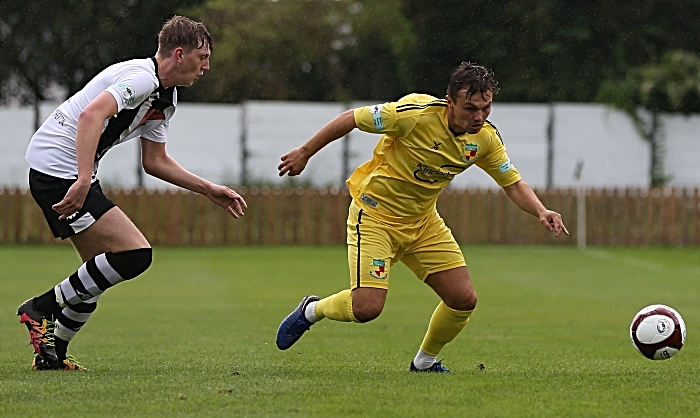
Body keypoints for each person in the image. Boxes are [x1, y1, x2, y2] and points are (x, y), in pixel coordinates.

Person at [275, 62, 568, 372]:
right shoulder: (414, 114)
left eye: (486, 108)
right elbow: (351, 118)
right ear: (450, 101)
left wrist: (541, 210)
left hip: (424, 224)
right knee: (366, 308)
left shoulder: (485, 139)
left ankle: (425, 363)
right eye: (470, 108)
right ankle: (311, 310)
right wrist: (305, 151)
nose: (479, 116)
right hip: (375, 218)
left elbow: (512, 182)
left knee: (463, 299)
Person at [18, 16, 247, 371]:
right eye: (203, 57)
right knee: (136, 254)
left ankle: (52, 357)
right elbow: (91, 117)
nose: (207, 66)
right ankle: (40, 308)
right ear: (179, 53)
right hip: (57, 172)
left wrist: (208, 190)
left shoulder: (166, 97)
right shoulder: (141, 78)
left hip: (68, 172)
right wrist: (82, 179)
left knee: (93, 277)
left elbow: (155, 162)